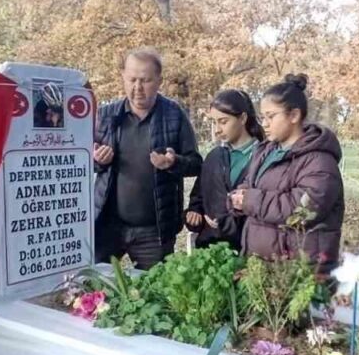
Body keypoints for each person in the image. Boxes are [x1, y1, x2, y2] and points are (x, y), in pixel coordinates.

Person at [92, 48, 202, 269]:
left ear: (159, 81)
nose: (137, 88)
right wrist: (98, 161)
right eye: (132, 79)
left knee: (153, 297)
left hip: (155, 231)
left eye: (145, 80)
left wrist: (174, 163)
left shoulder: (174, 114)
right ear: (123, 76)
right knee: (95, 291)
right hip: (107, 226)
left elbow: (196, 163)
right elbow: (85, 164)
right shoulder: (106, 115)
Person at [229, 73, 344, 272]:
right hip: (263, 265)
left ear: (294, 116)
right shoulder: (265, 151)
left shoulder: (319, 161)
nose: (264, 123)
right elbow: (249, 185)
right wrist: (237, 199)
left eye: (271, 116)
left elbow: (302, 209)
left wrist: (251, 201)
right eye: (263, 117)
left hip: (300, 271)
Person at [184, 89, 263, 251]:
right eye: (214, 122)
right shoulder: (214, 157)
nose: (217, 130)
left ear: (242, 118)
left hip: (248, 250)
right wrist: (194, 213)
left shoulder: (263, 158)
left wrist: (226, 223)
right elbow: (198, 198)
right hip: (211, 249)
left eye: (223, 121)